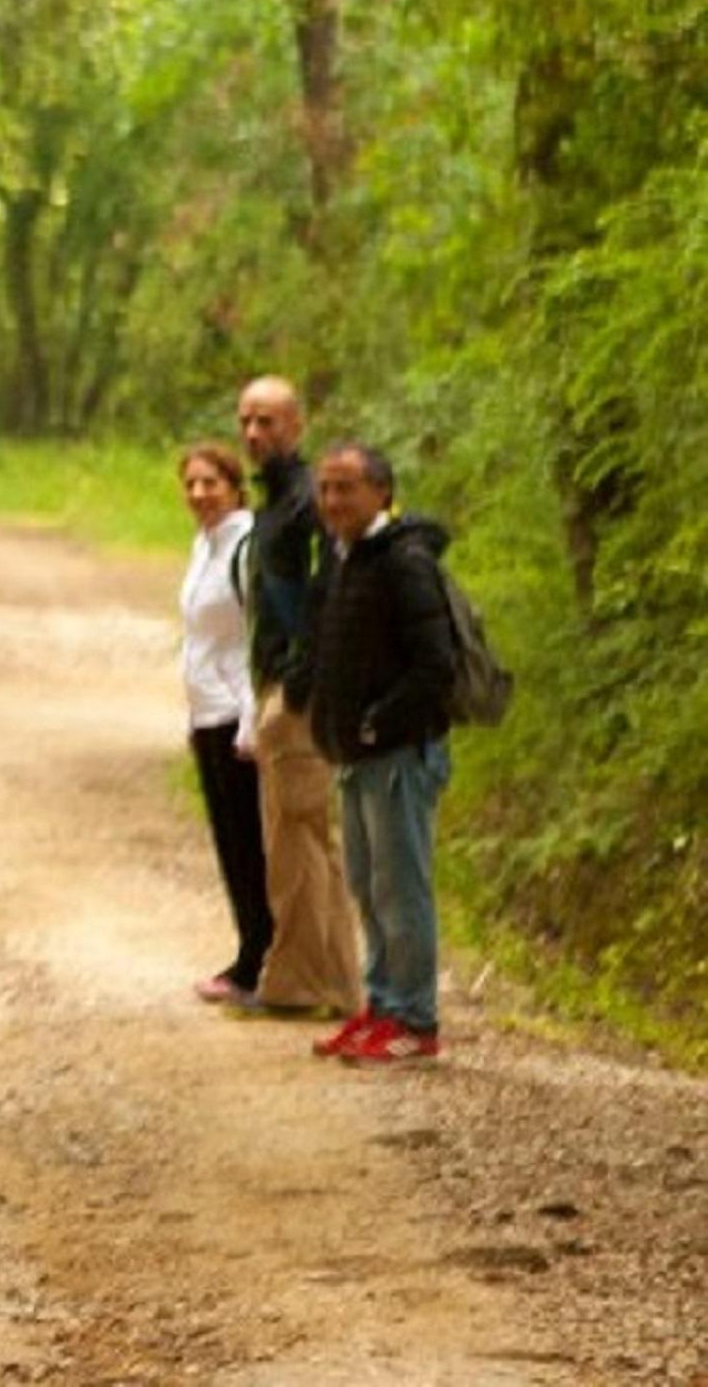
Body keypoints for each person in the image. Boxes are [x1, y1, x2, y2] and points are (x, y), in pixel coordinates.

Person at [305, 442, 459, 1066]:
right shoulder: (349, 558)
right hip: (358, 755)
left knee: (402, 890)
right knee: (369, 887)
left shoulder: (404, 561)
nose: (334, 500)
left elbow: (434, 667)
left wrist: (375, 724)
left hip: (399, 756)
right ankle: (381, 1007)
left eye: (347, 488)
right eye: (326, 488)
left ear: (381, 493)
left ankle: (415, 1021)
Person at [236, 376, 363, 1016]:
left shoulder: (309, 501)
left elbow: (333, 588)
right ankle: (325, 984)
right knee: (299, 836)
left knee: (300, 838)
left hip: (300, 693)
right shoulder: (279, 499)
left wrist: (302, 677)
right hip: (281, 683)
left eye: (268, 422)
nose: (256, 434)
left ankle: (308, 985)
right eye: (247, 422)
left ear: (297, 425)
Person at [175, 441, 271, 1005]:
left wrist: (253, 720)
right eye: (190, 484)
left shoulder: (246, 546)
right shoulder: (204, 545)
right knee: (229, 845)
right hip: (206, 711)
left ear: (235, 487)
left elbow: (256, 638)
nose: (199, 494)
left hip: (239, 714)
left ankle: (260, 959)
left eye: (210, 482)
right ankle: (247, 953)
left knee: (251, 844)